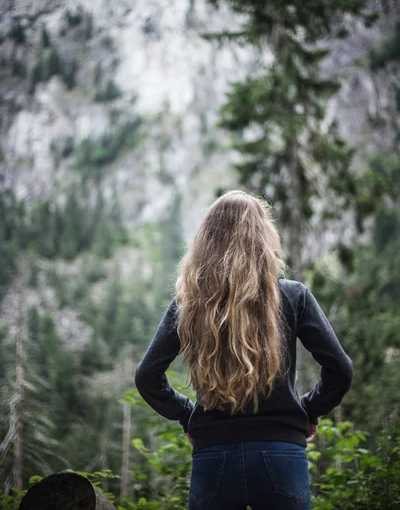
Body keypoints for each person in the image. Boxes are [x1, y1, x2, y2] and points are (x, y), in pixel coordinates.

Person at [135, 190, 354, 509]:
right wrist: (308, 410)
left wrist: (187, 415)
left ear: (206, 243)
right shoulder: (294, 296)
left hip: (213, 455)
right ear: (264, 239)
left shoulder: (189, 303)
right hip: (282, 452)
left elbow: (147, 376)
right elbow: (340, 370)